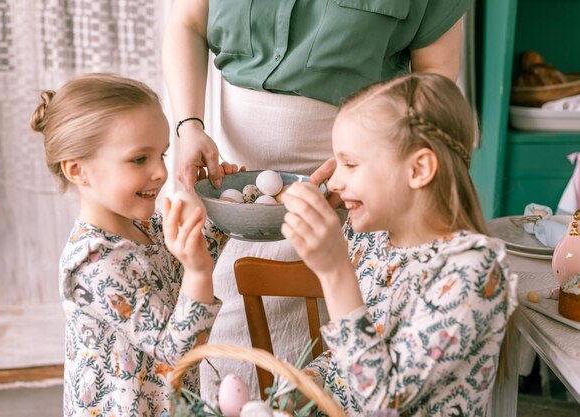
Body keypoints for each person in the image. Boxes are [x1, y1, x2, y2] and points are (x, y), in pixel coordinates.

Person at [163, 0, 472, 400]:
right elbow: (187, 22)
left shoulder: (449, 272)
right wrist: (188, 127)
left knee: (338, 320)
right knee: (229, 361)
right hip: (234, 196)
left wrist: (358, 170)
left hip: (356, 203)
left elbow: (433, 96)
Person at [280, 72, 518, 416]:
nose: (333, 180)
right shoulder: (372, 238)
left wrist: (336, 272)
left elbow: (382, 405)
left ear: (419, 169)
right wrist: (303, 388)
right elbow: (351, 358)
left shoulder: (472, 273)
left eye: (350, 163)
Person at [29, 73, 240, 416]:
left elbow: (182, 272)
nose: (160, 172)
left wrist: (218, 203)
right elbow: (178, 353)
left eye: (163, 155)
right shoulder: (96, 264)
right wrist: (198, 270)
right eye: (140, 159)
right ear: (77, 170)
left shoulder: (147, 227)